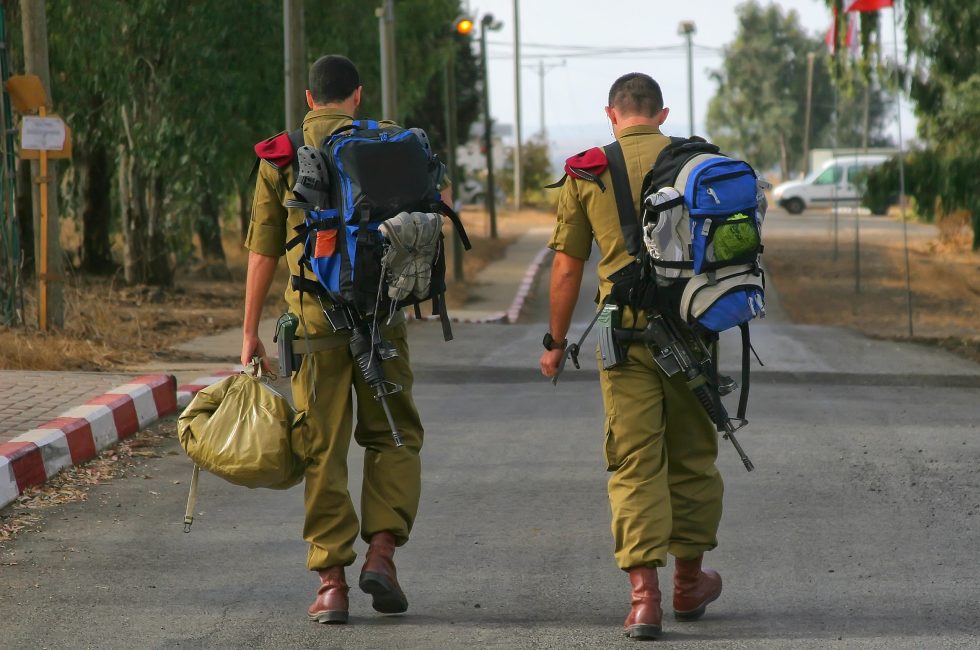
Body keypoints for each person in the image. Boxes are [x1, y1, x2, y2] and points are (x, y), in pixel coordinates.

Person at [243, 54, 447, 624]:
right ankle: (382, 554)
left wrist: (249, 334)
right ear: (357, 96)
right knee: (394, 434)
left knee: (322, 447)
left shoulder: (281, 155)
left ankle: (331, 583)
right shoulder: (394, 143)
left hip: (313, 325)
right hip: (382, 315)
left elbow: (262, 252)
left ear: (310, 99)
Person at [539, 73, 724, 640]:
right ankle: (689, 583)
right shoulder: (697, 163)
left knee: (633, 460)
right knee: (692, 455)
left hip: (620, 337)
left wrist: (554, 343)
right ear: (662, 115)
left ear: (611, 115)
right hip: (693, 332)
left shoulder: (587, 170)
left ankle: (644, 599)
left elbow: (567, 267)